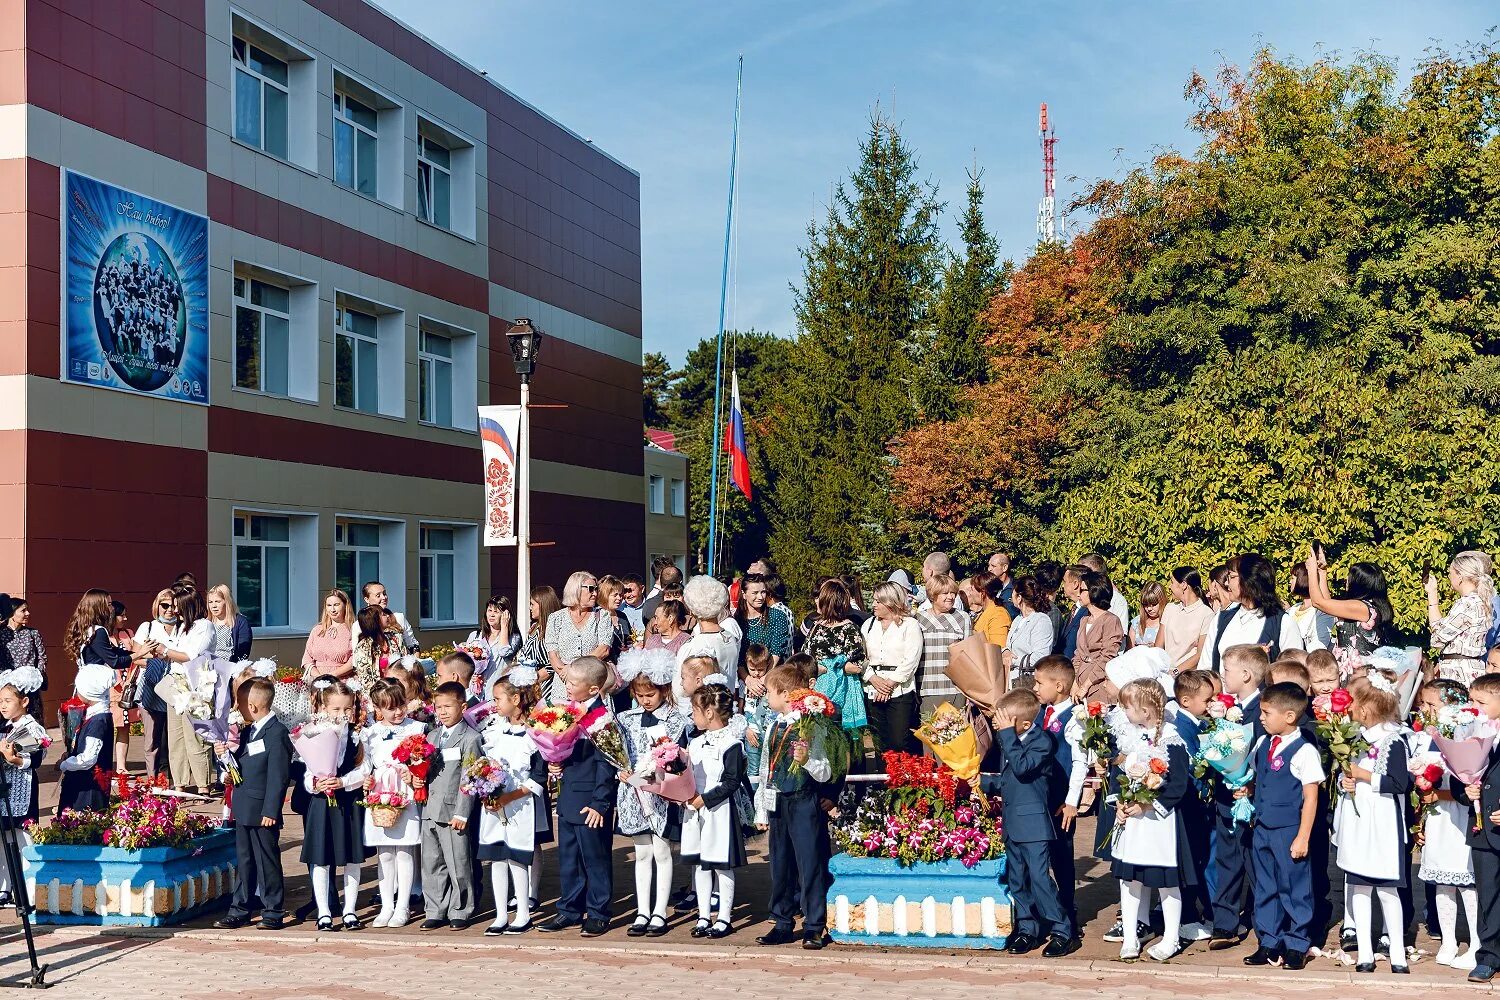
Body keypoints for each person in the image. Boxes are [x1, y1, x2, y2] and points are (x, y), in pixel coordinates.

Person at [1108, 678, 1196, 963]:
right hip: (1132, 823)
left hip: (1159, 824)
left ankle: (1171, 938)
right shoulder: (1131, 737)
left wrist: (1147, 804)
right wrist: (1120, 803)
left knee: (1166, 882)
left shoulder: (1171, 739)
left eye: (1128, 706)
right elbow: (1121, 778)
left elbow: (1179, 784)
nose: (1124, 711)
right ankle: (1131, 935)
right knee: (1130, 880)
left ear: (1145, 710)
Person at [986, 688, 1078, 957]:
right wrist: (978, 781)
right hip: (1013, 822)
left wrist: (1005, 734)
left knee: (1040, 878)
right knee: (1018, 879)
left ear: (1025, 723)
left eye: (1005, 719)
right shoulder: (1011, 739)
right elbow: (1009, 779)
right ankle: (1028, 928)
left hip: (1034, 823)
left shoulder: (1041, 741)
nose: (999, 723)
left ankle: (1063, 930)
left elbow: (1024, 767)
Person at [1335, 667, 1411, 974]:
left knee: (1388, 890)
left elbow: (1399, 783)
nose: (1350, 708)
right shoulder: (1354, 737)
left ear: (1365, 709)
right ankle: (1364, 952)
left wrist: (1364, 775)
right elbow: (1347, 773)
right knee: (1360, 887)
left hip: (1382, 821)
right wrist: (1346, 781)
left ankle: (1397, 953)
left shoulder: (1393, 740)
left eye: (1353, 704)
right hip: (1358, 819)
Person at [1244, 681, 1324, 971]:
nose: (1261, 717)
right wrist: (1247, 790)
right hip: (1263, 827)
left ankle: (1296, 943)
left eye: (1266, 712)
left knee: (1295, 888)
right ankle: (1268, 940)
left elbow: (1311, 797)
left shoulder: (1304, 750)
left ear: (1289, 716)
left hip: (1289, 830)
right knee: (1266, 887)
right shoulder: (1264, 742)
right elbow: (1256, 776)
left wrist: (1303, 836)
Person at [756, 663, 834, 950]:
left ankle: (814, 924)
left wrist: (807, 761)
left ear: (786, 694)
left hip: (803, 800)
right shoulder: (773, 726)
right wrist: (761, 808)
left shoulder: (810, 724)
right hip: (778, 801)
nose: (766, 697)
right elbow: (766, 767)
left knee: (809, 863)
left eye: (769, 692)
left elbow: (825, 771)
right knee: (780, 864)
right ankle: (782, 921)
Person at [540, 657, 616, 937]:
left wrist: (600, 803)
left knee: (594, 859)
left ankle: (598, 912)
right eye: (567, 681)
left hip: (591, 802)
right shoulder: (569, 713)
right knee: (569, 858)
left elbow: (607, 763)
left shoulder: (601, 720)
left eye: (573, 683)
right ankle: (569, 909)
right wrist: (554, 762)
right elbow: (559, 748)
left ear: (594, 690)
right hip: (569, 796)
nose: (567, 686)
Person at [615, 649, 687, 936]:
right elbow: (618, 752)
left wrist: (656, 776)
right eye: (640, 694)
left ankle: (660, 910)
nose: (645, 700)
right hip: (633, 793)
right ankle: (642, 910)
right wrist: (620, 771)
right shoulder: (626, 718)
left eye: (651, 695)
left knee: (662, 851)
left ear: (664, 690)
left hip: (660, 794)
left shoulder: (674, 719)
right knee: (642, 852)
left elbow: (676, 760)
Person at [213, 677, 293, 930]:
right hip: (244, 806)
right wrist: (224, 760)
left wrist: (272, 809)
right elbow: (241, 765)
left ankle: (273, 910)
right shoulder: (249, 731)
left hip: (262, 810)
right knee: (245, 860)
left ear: (254, 706)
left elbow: (279, 776)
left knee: (266, 861)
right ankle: (240, 908)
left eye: (241, 704)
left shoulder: (277, 733)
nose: (238, 709)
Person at [1412, 678, 1478, 971]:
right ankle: (1448, 939)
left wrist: (1437, 791)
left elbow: (1467, 785)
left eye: (1432, 705)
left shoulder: (1467, 738)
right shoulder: (1428, 737)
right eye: (1424, 704)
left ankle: (1477, 940)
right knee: (1441, 880)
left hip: (1459, 816)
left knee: (1466, 881)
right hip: (1438, 816)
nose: (1426, 709)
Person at [1208, 644, 1269, 950]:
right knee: (1227, 859)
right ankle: (1225, 923)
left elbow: (1263, 754)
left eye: (1227, 669)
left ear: (1246, 675)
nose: (1223, 674)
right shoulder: (1225, 707)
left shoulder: (1262, 711)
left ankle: (1265, 921)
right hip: (1226, 796)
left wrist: (1250, 784)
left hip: (1251, 798)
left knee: (1255, 861)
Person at [478, 676, 545, 935]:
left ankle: (523, 914)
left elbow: (538, 777)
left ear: (515, 700)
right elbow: (484, 765)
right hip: (493, 805)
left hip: (519, 804)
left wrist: (511, 795)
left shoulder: (535, 733)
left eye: (497, 699)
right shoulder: (493, 729)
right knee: (496, 857)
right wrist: (482, 787)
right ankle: (500, 914)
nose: (493, 704)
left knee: (517, 857)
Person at [299, 676, 366, 932]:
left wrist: (343, 782)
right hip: (321, 803)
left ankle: (350, 910)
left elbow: (364, 769)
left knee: (351, 858)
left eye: (347, 708)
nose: (343, 714)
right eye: (336, 709)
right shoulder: (314, 733)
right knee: (321, 857)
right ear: (324, 708)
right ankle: (324, 911)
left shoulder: (358, 735)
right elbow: (307, 772)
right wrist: (315, 784)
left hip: (348, 801)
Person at [682, 684, 748, 939]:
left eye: (695, 710)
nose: (692, 716)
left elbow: (732, 782)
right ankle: (702, 915)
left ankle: (724, 917)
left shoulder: (732, 745)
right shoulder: (695, 743)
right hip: (694, 810)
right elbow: (687, 775)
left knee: (721, 865)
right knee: (701, 865)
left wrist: (705, 799)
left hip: (718, 811)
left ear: (709, 713)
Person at [361, 678, 426, 928]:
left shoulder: (416, 729)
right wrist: (366, 781)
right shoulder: (370, 732)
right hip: (381, 792)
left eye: (401, 705)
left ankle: (403, 905)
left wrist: (414, 774)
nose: (398, 712)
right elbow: (366, 764)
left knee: (405, 850)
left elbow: (423, 762)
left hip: (404, 790)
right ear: (378, 708)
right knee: (385, 852)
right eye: (390, 707)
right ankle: (387, 904)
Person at [420, 681, 482, 930]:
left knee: (458, 862)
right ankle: (435, 908)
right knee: (432, 863)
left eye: (448, 706)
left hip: (453, 811)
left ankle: (461, 908)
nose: (442, 712)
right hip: (429, 809)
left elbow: (470, 777)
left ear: (463, 706)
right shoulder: (432, 736)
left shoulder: (470, 738)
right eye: (438, 707)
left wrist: (462, 812)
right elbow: (425, 771)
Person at [1030, 656, 1085, 933]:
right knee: (1040, 854)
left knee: (1062, 855)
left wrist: (1072, 801)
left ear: (1060, 685)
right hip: (1039, 796)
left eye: (1040, 682)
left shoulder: (1074, 718)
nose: (1035, 687)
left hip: (1060, 801)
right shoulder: (1041, 712)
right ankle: (1043, 908)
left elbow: (1079, 762)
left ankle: (1067, 909)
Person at [1456, 673, 1500, 983]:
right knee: (1488, 894)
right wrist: (1465, 791)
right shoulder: (1470, 734)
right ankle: (1489, 954)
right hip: (1483, 831)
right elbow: (1460, 775)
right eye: (1472, 701)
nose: (1474, 707)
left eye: (1481, 702)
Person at [1199, 553, 1303, 672]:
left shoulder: (1282, 623)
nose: (1227, 583)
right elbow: (1205, 668)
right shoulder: (1221, 619)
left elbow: (1294, 675)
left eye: (1232, 577)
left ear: (1249, 580)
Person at [157, 587, 215, 793]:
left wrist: (165, 650)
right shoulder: (182, 627)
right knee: (176, 737)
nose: (174, 611)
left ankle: (203, 785)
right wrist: (162, 652)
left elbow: (190, 655)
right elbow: (176, 655)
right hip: (177, 685)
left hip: (196, 686)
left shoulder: (204, 626)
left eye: (177, 607)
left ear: (188, 607)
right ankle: (180, 783)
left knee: (195, 737)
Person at [860, 581, 923, 759]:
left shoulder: (909, 625)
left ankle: (902, 783)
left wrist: (889, 684)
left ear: (891, 602)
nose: (874, 605)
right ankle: (882, 783)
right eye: (874, 601)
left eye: (878, 601)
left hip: (900, 691)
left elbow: (911, 658)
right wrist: (872, 678)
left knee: (899, 741)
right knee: (879, 742)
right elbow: (860, 656)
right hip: (872, 688)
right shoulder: (868, 625)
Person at [1303, 552, 1392, 671]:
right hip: (1352, 669)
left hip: (1356, 674)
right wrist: (1322, 572)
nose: (1346, 581)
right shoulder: (1366, 606)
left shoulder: (1361, 607)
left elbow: (1318, 602)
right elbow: (1327, 604)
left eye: (1349, 578)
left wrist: (1311, 571)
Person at [0, 672, 45, 905]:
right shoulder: (5, 726)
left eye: (8, 701)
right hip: (4, 789)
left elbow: (35, 759)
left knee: (23, 837)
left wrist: (14, 759)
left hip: (23, 788)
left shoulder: (32, 727)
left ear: (24, 701)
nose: (3, 706)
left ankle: (26, 890)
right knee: (3, 837)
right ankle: (4, 888)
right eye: (0, 701)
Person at [543, 572, 612, 706]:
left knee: (595, 725)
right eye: (591, 589)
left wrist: (574, 669)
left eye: (596, 589)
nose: (595, 593)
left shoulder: (602, 616)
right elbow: (553, 654)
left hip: (592, 684)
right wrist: (567, 674)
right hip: (563, 686)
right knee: (562, 723)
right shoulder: (556, 618)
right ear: (575, 589)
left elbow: (603, 650)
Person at [1426, 552, 1495, 685]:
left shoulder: (1467, 604)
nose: (1449, 577)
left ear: (1460, 577)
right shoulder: (1480, 601)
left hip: (1459, 673)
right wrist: (1432, 594)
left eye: (1451, 573)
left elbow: (1437, 639)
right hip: (1470, 670)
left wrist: (1432, 596)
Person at [914, 573, 972, 715]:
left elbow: (970, 655)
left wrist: (969, 690)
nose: (951, 597)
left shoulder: (962, 618)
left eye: (953, 593)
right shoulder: (918, 618)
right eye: (945, 593)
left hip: (955, 688)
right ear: (933, 595)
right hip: (927, 688)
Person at [676, 576, 741, 695]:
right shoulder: (730, 638)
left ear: (691, 610)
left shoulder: (693, 646)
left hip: (702, 708)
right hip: (726, 705)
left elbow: (680, 689)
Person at [1074, 571, 1125, 704]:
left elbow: (1107, 657)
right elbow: (1078, 654)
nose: (1078, 594)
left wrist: (1086, 685)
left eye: (1082, 590)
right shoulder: (1084, 620)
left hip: (1100, 687)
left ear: (1094, 591)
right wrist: (1074, 682)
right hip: (1080, 687)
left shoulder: (1111, 621)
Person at [1156, 567, 1215, 673]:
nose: (1169, 587)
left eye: (1172, 582)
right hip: (1164, 673)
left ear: (1183, 585)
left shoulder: (1207, 614)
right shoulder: (1170, 608)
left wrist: (1175, 672)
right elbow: (1158, 646)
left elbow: (1201, 654)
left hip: (1189, 677)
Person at [1004, 575, 1055, 683]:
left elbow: (1041, 656)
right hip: (1011, 679)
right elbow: (1009, 646)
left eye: (1013, 593)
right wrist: (1005, 652)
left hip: (1028, 681)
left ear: (1019, 597)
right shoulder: (1018, 619)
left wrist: (1013, 660)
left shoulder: (1041, 620)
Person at [1, 596, 46, 717]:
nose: (27, 613)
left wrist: (37, 675)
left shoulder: (33, 633)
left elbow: (42, 657)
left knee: (33, 716)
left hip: (30, 685)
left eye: (27, 610)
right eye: (23, 610)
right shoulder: (2, 634)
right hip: (8, 685)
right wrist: (8, 678)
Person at [467, 595, 521, 688]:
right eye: (489, 610)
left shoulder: (513, 637)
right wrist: (471, 675)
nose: (491, 615)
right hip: (474, 691)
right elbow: (465, 662)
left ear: (505, 614)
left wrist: (504, 627)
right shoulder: (475, 636)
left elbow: (504, 652)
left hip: (496, 691)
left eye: (496, 612)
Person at [301, 590, 355, 681]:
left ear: (345, 605)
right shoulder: (317, 630)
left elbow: (355, 659)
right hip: (317, 682)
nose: (332, 609)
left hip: (342, 683)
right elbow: (307, 658)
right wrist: (319, 677)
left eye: (336, 605)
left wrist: (331, 675)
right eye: (329, 605)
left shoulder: (353, 630)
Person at [738, 574, 791, 663]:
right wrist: (747, 677)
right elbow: (738, 655)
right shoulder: (737, 620)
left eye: (763, 592)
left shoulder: (777, 616)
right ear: (744, 594)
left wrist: (766, 676)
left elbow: (777, 651)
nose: (760, 597)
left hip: (771, 671)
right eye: (755, 593)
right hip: (743, 674)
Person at [518, 585, 563, 689]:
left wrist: (534, 679)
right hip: (531, 684)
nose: (530, 608)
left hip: (547, 685)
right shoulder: (534, 627)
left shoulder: (554, 629)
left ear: (543, 605)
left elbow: (554, 663)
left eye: (532, 604)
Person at [356, 581, 418, 653]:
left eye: (384, 593)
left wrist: (414, 662)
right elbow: (357, 655)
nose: (384, 597)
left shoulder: (398, 618)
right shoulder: (358, 625)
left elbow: (413, 645)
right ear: (367, 599)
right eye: (378, 595)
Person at [1287, 564, 1334, 653]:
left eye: (1293, 578)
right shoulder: (1293, 609)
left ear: (1304, 579)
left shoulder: (1321, 612)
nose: (1290, 582)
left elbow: (1319, 645)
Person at [205, 584, 253, 661]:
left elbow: (243, 652)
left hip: (231, 667)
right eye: (210, 602)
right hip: (208, 666)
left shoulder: (241, 622)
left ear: (227, 602)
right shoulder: (206, 623)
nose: (213, 606)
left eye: (217, 601)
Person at [967, 572, 1013, 648]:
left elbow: (998, 647)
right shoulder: (985, 613)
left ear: (982, 593)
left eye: (972, 589)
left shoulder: (998, 615)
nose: (970, 593)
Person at [1129, 582, 1166, 648]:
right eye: (1145, 604)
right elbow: (1129, 649)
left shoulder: (1167, 622)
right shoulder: (1137, 622)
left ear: (1162, 601)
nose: (1149, 609)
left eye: (1154, 604)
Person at [988, 551, 1020, 617]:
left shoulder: (1016, 588)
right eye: (989, 565)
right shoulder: (988, 588)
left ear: (1005, 567)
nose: (989, 569)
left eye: (993, 566)